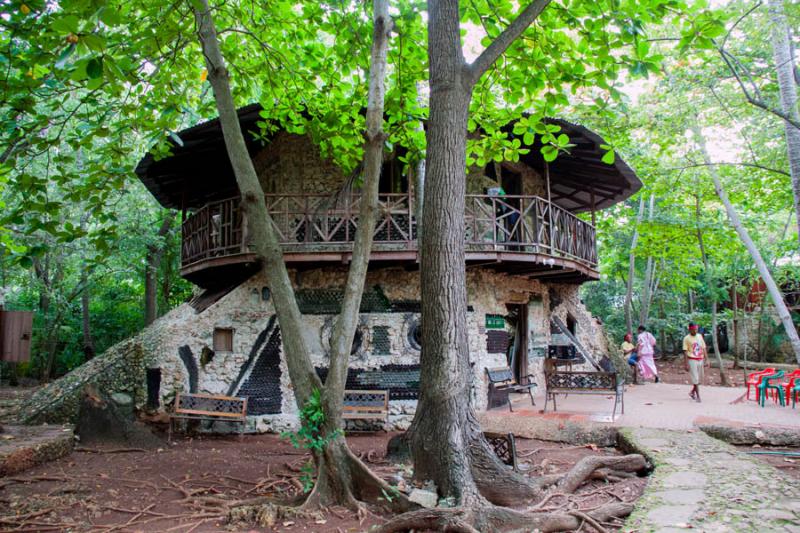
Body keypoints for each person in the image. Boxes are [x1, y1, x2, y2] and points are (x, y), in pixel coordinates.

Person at [683, 322, 709, 402]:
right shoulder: (686, 338)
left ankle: (692, 392)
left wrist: (707, 359)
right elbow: (685, 351)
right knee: (695, 378)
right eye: (694, 329)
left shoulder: (700, 336)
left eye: (696, 329)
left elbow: (704, 348)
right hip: (692, 360)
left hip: (700, 359)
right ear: (690, 329)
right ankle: (698, 396)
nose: (695, 331)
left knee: (700, 379)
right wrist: (686, 363)